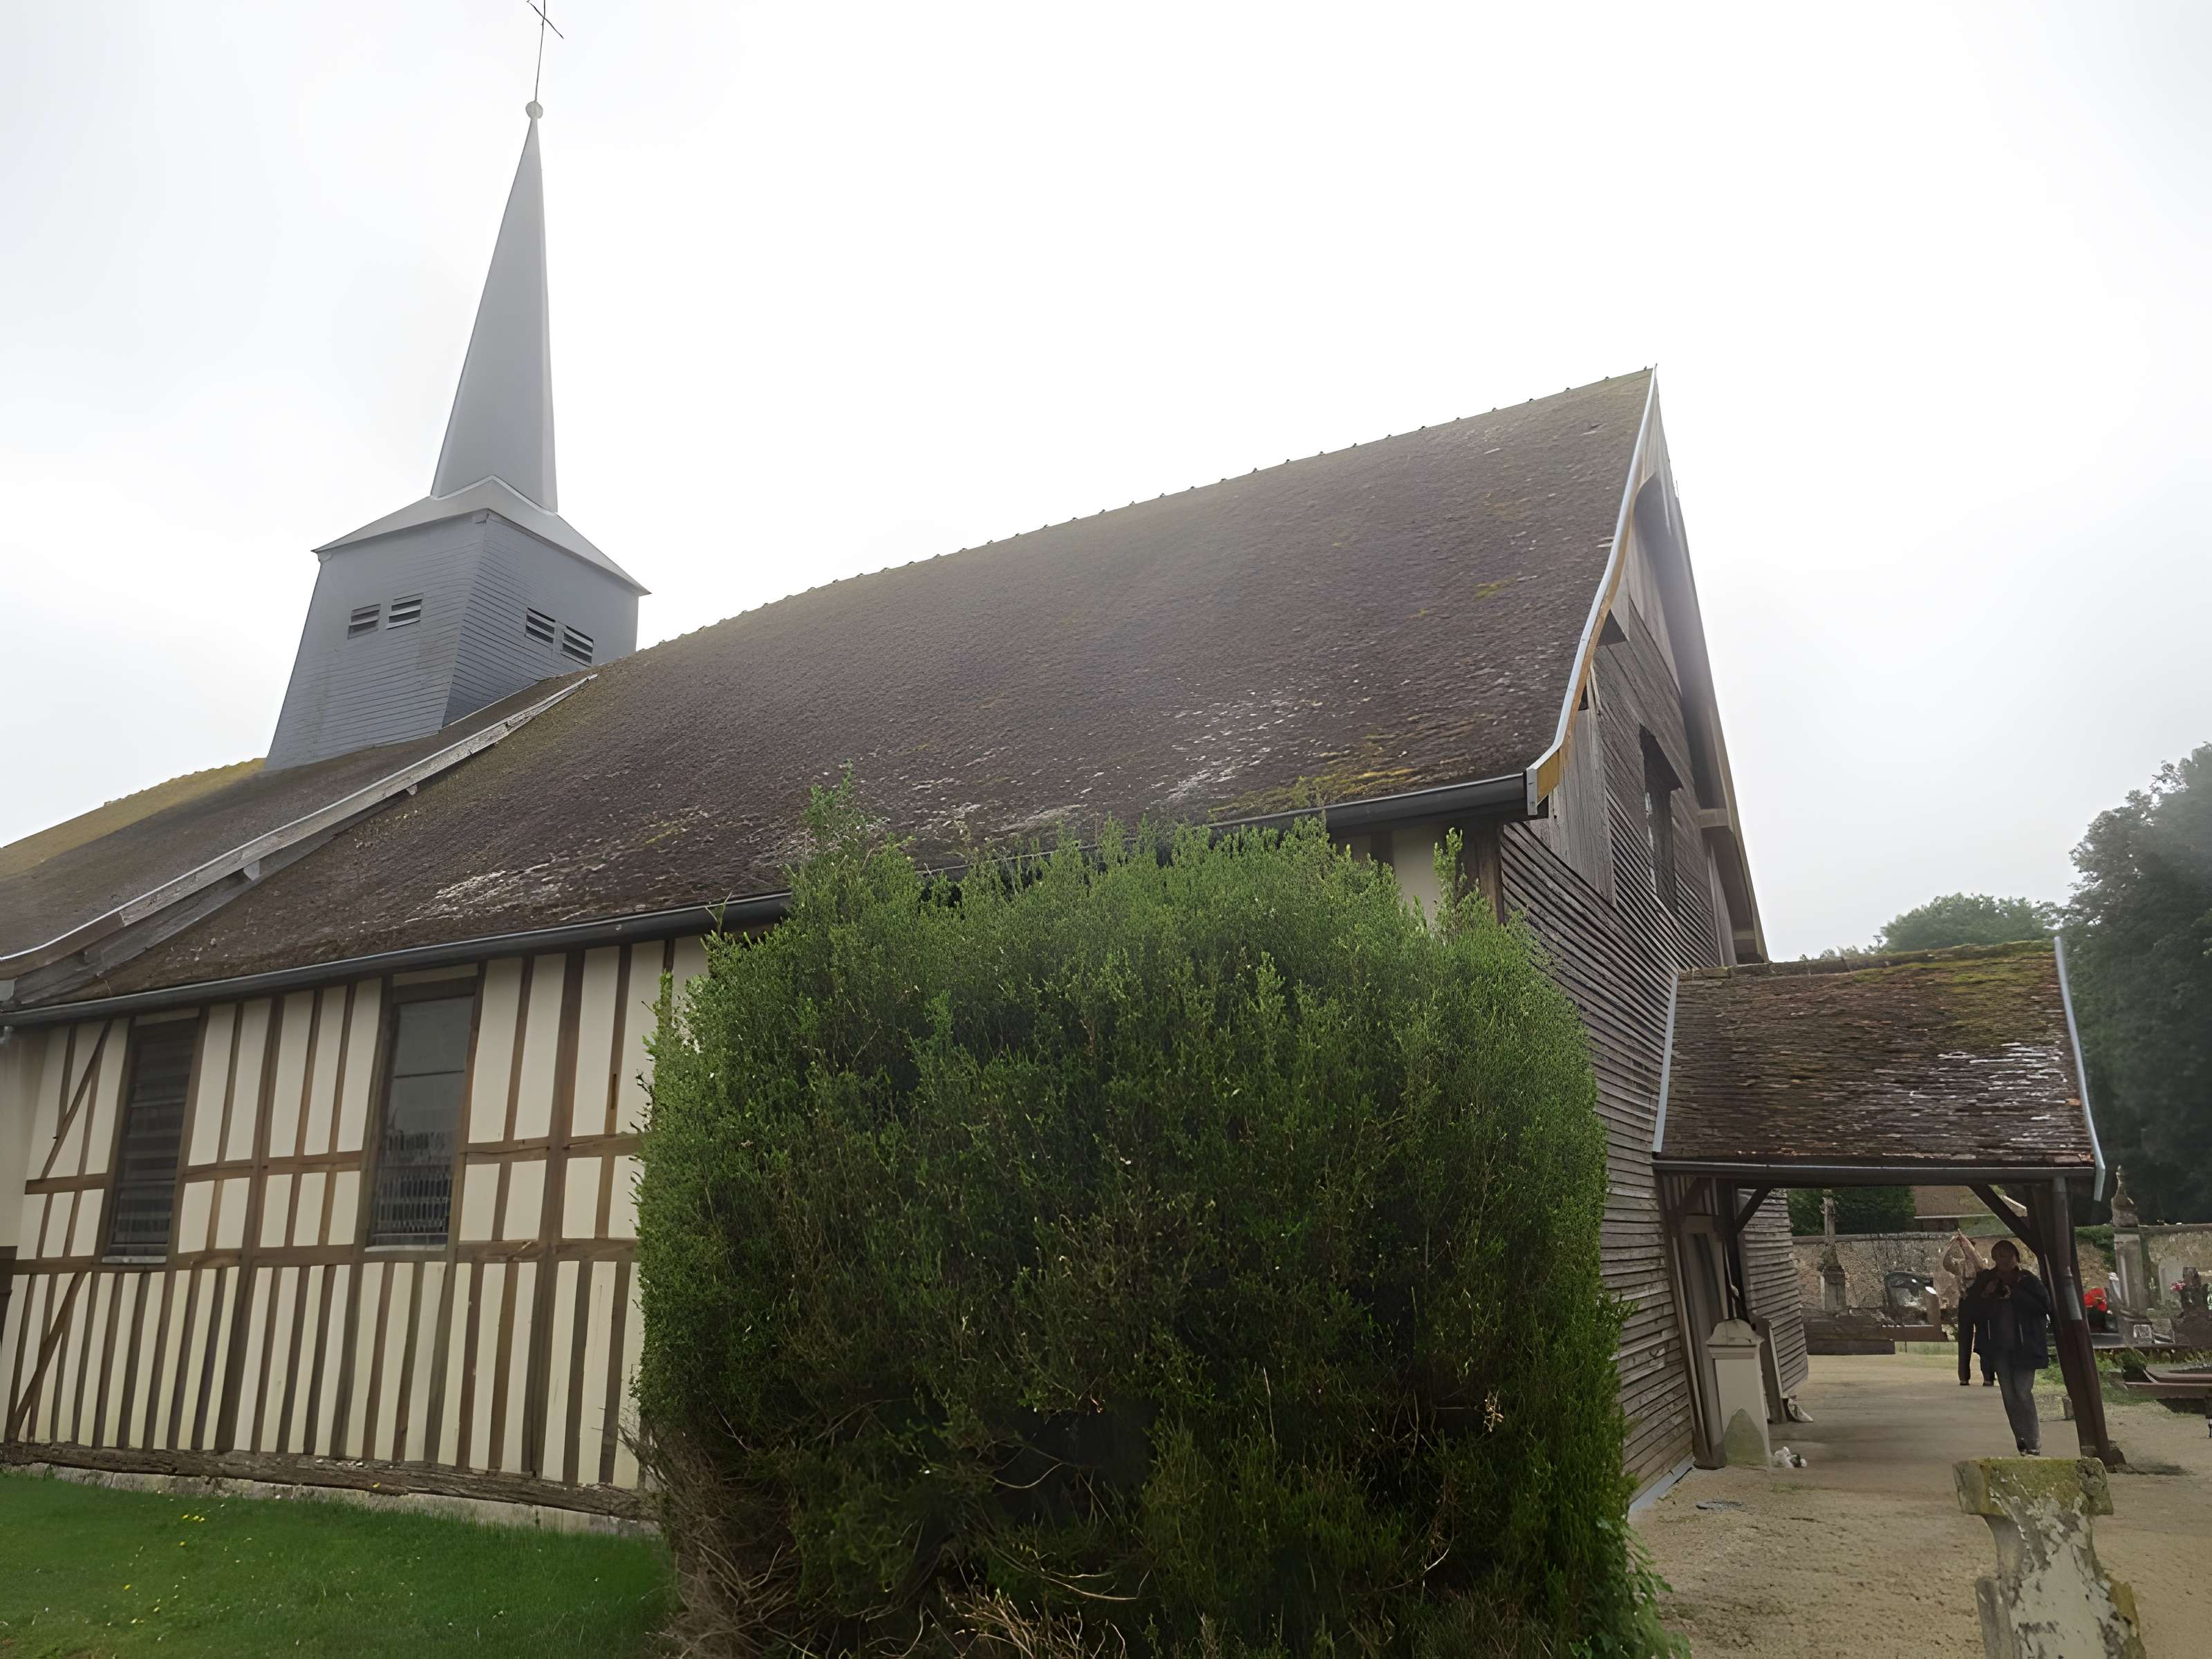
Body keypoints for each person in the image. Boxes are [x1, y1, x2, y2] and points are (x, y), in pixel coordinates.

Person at [1956, 1240, 2052, 1454]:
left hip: (2025, 1347)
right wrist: (1986, 1294)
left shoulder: (2027, 1280)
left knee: (2023, 1392)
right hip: (1999, 1348)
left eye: (2008, 1255)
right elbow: (1972, 1311)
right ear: (1994, 1259)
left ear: (2017, 1258)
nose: (2005, 1259)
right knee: (2009, 1395)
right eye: (2000, 1255)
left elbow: (2044, 1305)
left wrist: (2015, 1293)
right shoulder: (1986, 1280)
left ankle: (2034, 1440)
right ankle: (2021, 1439)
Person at [1941, 1230, 1997, 1385]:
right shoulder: (1959, 1266)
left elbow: (1977, 1262)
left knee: (1984, 1341)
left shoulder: (1982, 1262)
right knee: (1964, 1341)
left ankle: (1988, 1376)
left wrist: (1965, 1242)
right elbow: (1946, 1262)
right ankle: (1964, 1377)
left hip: (1981, 1303)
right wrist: (1952, 1243)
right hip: (1966, 1302)